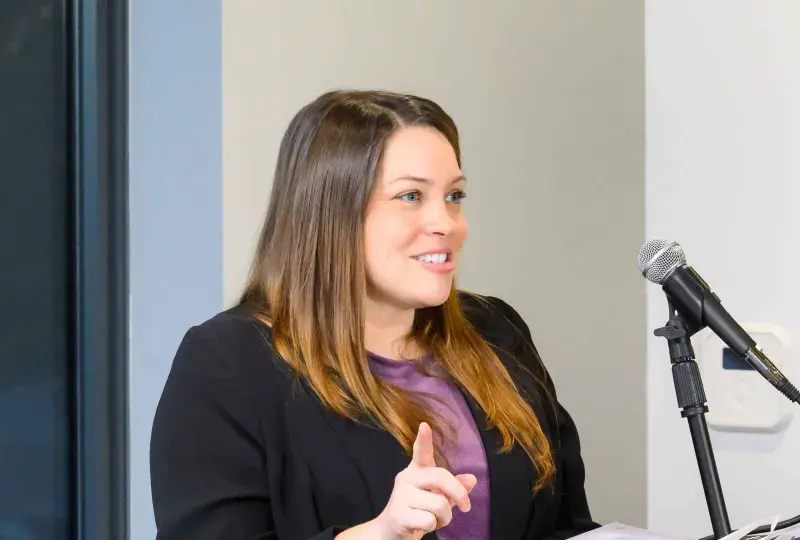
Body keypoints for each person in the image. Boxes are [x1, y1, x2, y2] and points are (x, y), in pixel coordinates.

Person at [150, 89, 600, 540]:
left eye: (454, 195)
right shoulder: (227, 364)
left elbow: (564, 525)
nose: (446, 222)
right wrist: (380, 533)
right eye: (410, 196)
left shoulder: (496, 332)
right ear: (331, 212)